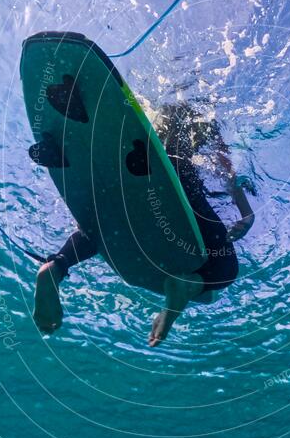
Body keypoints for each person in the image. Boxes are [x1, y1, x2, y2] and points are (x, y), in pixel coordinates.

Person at [33, 102, 255, 346]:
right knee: (226, 269)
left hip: (128, 173)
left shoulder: (151, 115)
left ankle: (57, 265)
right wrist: (246, 213)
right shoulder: (205, 120)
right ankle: (186, 286)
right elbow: (227, 171)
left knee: (99, 227)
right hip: (176, 179)